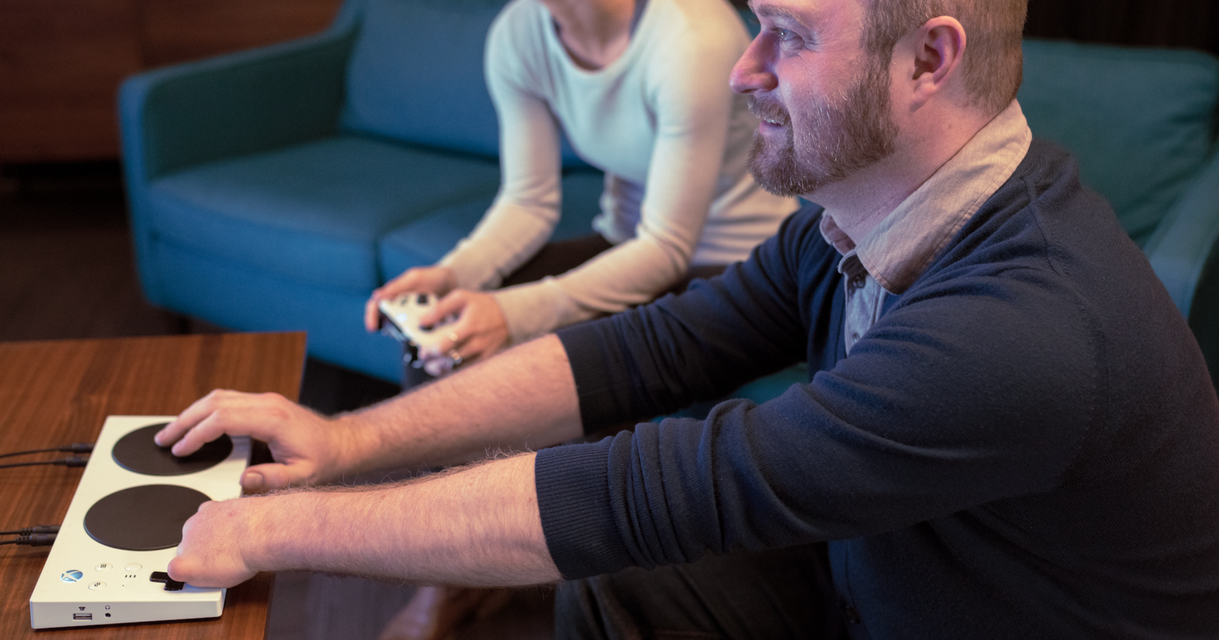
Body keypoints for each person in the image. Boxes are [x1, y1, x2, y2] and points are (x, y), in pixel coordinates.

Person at [157, 0, 1219, 637]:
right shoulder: (860, 215)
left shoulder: (1020, 326)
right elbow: (653, 348)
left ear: (927, 63)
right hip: (895, 563)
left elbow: (664, 485)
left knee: (636, 533)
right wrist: (343, 442)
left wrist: (276, 528)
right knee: (632, 589)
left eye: (788, 37)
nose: (745, 67)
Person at [363, 0, 797, 382]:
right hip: (628, 242)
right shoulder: (518, 34)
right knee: (443, 330)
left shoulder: (691, 37)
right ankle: (424, 476)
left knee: (571, 371)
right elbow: (527, 202)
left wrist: (511, 315)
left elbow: (666, 247)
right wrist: (454, 275)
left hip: (735, 263)